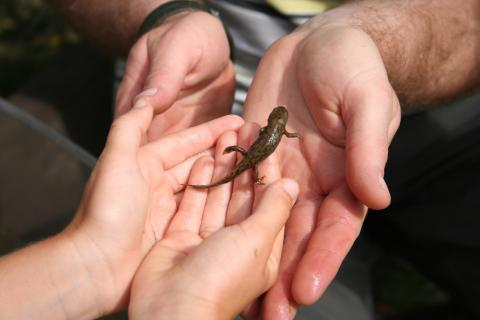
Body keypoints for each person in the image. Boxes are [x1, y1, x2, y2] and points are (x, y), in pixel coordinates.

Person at [45, 0, 480, 319]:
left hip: (426, 115)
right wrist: (168, 14)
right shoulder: (271, 132)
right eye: (279, 121)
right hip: (215, 120)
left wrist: (362, 32)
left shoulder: (275, 128)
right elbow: (277, 133)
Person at [0, 103, 304, 319]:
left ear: (273, 123)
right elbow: (283, 137)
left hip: (251, 155)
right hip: (251, 158)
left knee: (245, 162)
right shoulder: (276, 132)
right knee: (246, 165)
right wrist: (190, 305)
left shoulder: (267, 132)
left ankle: (235, 169)